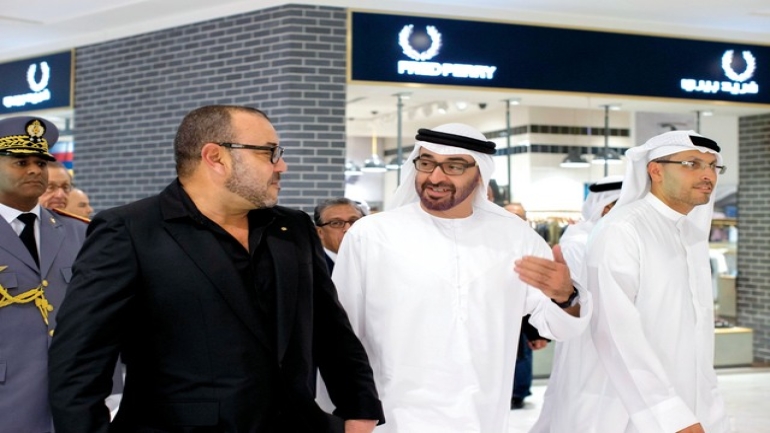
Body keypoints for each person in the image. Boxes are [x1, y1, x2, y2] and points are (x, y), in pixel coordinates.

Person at [48, 105, 384, 433]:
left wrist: (360, 410)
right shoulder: (130, 230)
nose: (282, 165)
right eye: (269, 152)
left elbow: (330, 329)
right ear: (216, 157)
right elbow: (80, 360)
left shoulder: (292, 228)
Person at [331, 123, 592, 432]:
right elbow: (342, 334)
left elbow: (555, 326)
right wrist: (353, 411)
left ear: (479, 173)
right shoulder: (371, 235)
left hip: (483, 416)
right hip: (391, 416)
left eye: (453, 166)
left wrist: (566, 296)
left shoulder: (515, 236)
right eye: (426, 163)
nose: (435, 177)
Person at [531, 130, 729, 432]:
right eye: (692, 164)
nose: (707, 175)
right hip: (635, 411)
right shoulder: (623, 230)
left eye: (712, 166)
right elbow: (616, 331)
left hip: (691, 402)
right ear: (655, 170)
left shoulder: (689, 234)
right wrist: (670, 415)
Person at [0, 116, 88, 433]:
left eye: (41, 162)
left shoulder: (80, 233)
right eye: (20, 162)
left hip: (73, 402)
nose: (35, 170)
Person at [530, 175, 622, 429]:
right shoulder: (580, 241)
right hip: (588, 335)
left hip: (616, 334)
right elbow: (588, 294)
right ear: (606, 208)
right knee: (585, 404)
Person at [502, 201, 549, 410]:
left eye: (518, 217)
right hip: (494, 319)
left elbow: (538, 291)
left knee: (521, 357)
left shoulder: (533, 245)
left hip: (524, 318)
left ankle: (518, 393)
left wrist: (537, 332)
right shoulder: (490, 244)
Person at [314, 197, 365, 272]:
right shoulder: (309, 270)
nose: (348, 229)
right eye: (336, 223)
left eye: (354, 221)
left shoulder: (375, 262)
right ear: (320, 232)